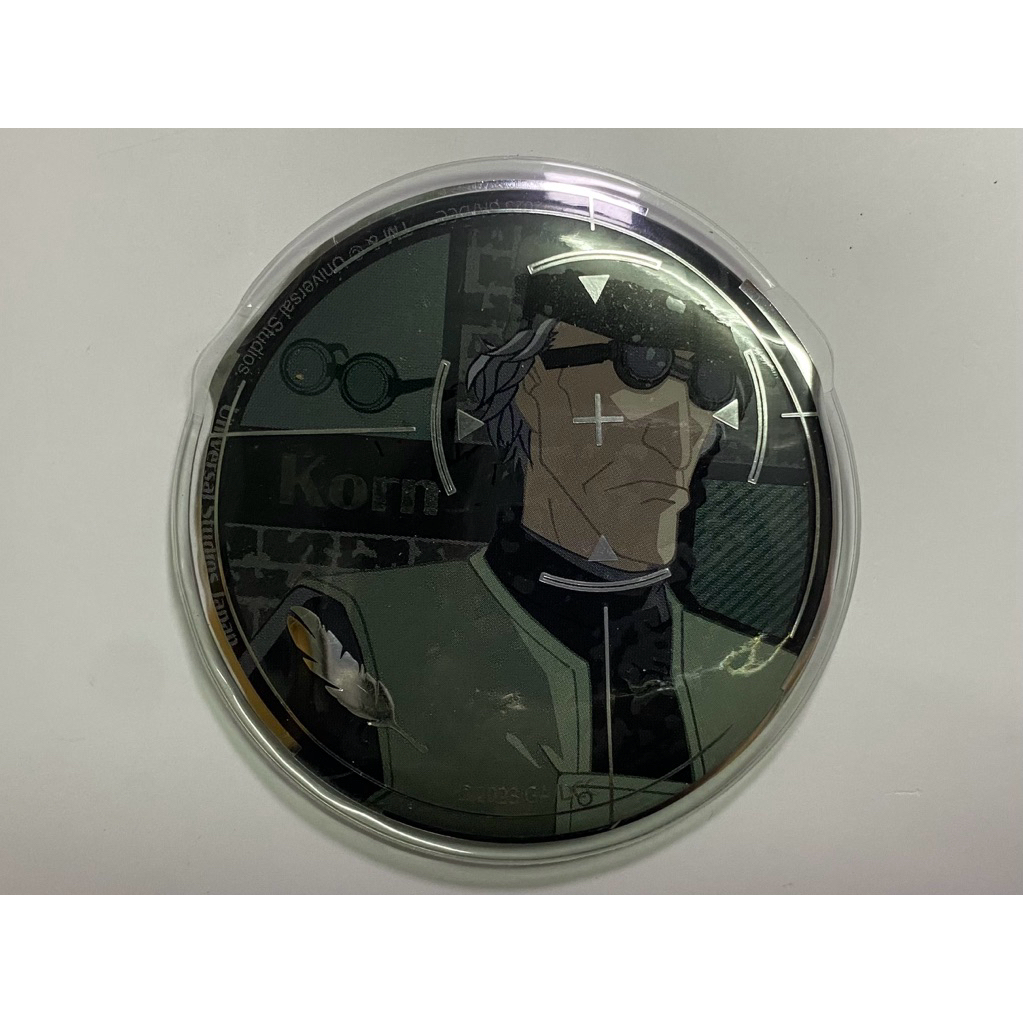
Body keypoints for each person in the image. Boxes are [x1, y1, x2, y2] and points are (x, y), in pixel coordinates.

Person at [251, 265, 795, 841]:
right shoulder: (352, 630)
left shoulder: (764, 678)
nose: (679, 427)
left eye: (708, 388)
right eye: (639, 366)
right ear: (530, 387)